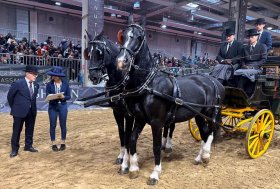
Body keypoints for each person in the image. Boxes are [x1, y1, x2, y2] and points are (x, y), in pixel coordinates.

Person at [7, 65, 40, 158]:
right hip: (19, 111)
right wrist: (15, 107)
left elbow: (32, 99)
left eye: (36, 74)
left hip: (32, 111)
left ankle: (28, 146)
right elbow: (10, 97)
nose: (36, 76)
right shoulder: (18, 83)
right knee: (17, 131)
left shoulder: (36, 85)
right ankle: (14, 149)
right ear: (27, 74)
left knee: (30, 130)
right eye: (34, 74)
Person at [234, 28, 267, 97]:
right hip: (246, 67)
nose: (250, 39)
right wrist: (243, 65)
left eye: (252, 37)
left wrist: (253, 67)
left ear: (257, 37)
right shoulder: (245, 48)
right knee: (235, 73)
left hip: (257, 68)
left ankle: (242, 95)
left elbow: (263, 60)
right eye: (249, 37)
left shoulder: (262, 47)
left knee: (243, 76)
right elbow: (242, 59)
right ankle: (240, 93)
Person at [46, 66, 71, 151]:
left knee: (63, 125)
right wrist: (52, 96)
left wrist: (63, 97)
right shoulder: (49, 84)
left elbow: (69, 96)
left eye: (55, 75)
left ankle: (63, 142)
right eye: (53, 75)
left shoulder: (65, 84)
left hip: (63, 106)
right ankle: (53, 144)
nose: (54, 77)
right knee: (52, 125)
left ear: (59, 76)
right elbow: (47, 96)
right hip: (52, 106)